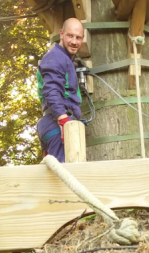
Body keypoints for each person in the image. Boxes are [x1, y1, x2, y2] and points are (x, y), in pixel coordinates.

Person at [37, 18, 85, 162]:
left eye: (78, 38)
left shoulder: (63, 59)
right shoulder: (56, 57)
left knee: (55, 175)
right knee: (64, 177)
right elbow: (51, 90)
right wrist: (64, 121)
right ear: (62, 34)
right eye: (70, 36)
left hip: (50, 123)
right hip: (57, 124)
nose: (74, 42)